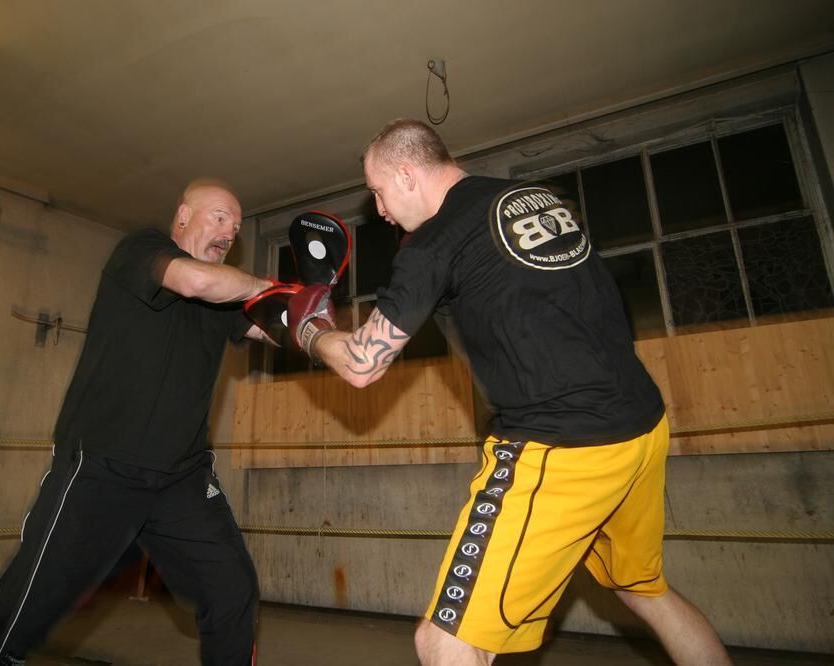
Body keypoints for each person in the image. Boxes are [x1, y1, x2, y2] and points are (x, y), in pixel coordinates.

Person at [286, 120, 731, 665]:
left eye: (378, 191)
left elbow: (361, 365)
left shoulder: (433, 243)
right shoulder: (531, 197)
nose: (377, 209)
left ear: (405, 174)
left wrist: (309, 330)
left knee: (445, 641)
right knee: (643, 588)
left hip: (561, 447)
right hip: (641, 426)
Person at [0, 180, 274, 666]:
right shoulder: (142, 249)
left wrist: (327, 325)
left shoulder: (225, 299)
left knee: (232, 587)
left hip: (181, 476)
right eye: (220, 217)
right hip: (101, 463)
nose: (229, 232)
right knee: (31, 604)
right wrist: (270, 286)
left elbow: (273, 328)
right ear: (182, 215)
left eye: (237, 226)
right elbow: (196, 282)